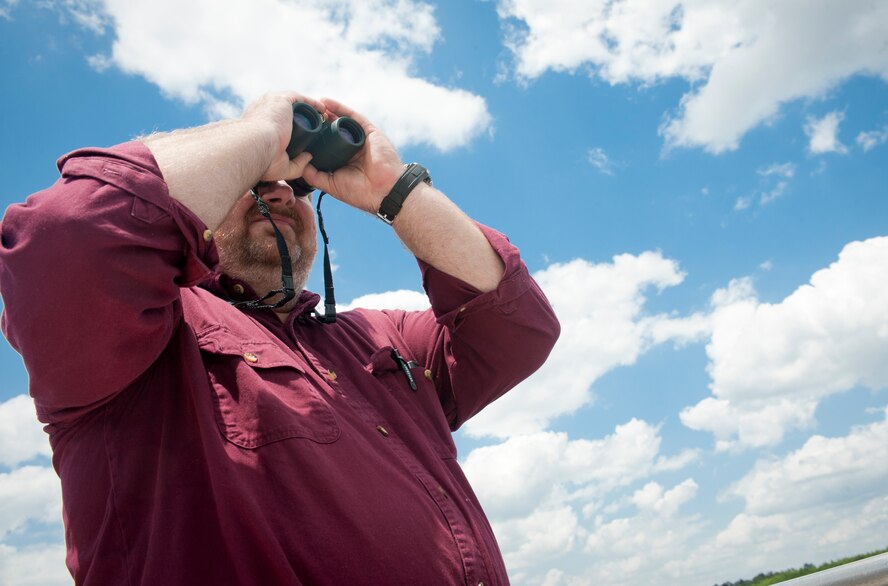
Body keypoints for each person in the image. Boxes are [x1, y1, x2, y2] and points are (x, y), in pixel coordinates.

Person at [0, 91, 560, 586]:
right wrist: (262, 134)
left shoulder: (377, 337)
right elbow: (66, 238)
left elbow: (514, 328)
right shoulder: (141, 335)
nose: (279, 195)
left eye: (292, 187)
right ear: (203, 210)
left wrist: (394, 188)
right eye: (248, 183)